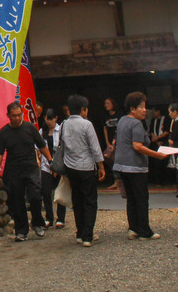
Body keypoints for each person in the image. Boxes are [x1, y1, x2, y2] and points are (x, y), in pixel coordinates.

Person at [114, 91, 171, 240]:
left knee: (131, 198)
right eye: (141, 107)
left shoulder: (121, 121)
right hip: (135, 167)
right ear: (133, 109)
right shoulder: (136, 123)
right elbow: (138, 146)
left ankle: (133, 228)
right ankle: (145, 231)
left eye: (145, 107)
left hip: (121, 166)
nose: (145, 110)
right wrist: (157, 155)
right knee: (141, 198)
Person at [0, 101, 52, 241]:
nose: (17, 118)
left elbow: (42, 145)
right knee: (17, 200)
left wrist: (50, 160)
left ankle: (37, 223)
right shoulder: (3, 132)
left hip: (31, 168)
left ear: (22, 114)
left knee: (36, 196)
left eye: (19, 115)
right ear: (8, 116)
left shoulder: (30, 128)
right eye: (14, 116)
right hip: (14, 170)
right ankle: (21, 230)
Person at [61, 94, 105, 247]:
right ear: (83, 110)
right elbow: (95, 147)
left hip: (70, 166)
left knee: (77, 200)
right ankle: (88, 235)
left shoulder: (64, 124)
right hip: (86, 166)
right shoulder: (87, 124)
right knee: (90, 201)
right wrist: (101, 165)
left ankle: (80, 233)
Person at [37, 108, 66, 229]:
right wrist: (37, 159)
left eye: (51, 119)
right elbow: (37, 147)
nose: (49, 122)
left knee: (60, 191)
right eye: (46, 119)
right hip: (45, 166)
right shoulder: (41, 131)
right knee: (46, 191)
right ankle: (49, 217)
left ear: (56, 118)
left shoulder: (61, 130)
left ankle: (61, 218)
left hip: (58, 165)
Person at [146, 106, 169, 185]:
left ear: (158, 111)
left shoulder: (165, 119)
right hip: (156, 143)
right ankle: (157, 181)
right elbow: (151, 131)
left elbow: (167, 131)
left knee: (164, 162)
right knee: (156, 163)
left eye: (154, 112)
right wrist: (156, 140)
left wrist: (158, 138)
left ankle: (165, 181)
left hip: (164, 143)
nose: (153, 114)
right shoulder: (153, 120)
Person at [102, 97, 120, 190]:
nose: (106, 105)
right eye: (105, 103)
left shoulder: (119, 115)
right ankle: (115, 180)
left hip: (118, 142)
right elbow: (104, 129)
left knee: (118, 160)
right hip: (109, 142)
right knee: (110, 160)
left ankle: (119, 181)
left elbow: (120, 129)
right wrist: (107, 143)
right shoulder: (106, 116)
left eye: (108, 103)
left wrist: (115, 141)